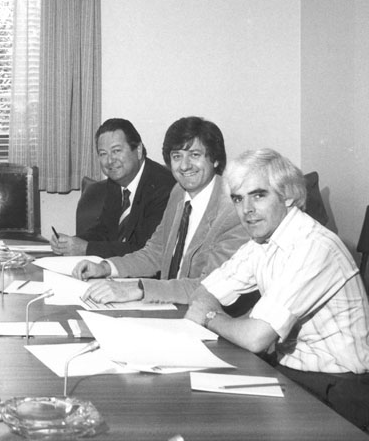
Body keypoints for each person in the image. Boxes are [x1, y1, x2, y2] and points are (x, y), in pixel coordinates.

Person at [185, 149, 369, 431]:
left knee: (222, 429)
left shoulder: (314, 245)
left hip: (339, 391)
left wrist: (212, 317)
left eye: (258, 195)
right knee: (202, 412)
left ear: (287, 196)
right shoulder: (263, 240)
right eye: (238, 198)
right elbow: (204, 292)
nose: (246, 209)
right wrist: (206, 311)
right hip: (292, 374)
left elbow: (255, 337)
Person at [73, 116, 249, 305]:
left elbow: (211, 286)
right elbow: (155, 252)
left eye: (195, 155)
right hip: (170, 307)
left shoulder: (234, 210)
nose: (184, 165)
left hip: (208, 316)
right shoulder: (178, 193)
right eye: (177, 156)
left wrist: (139, 288)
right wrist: (105, 268)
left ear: (214, 159)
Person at [51, 118, 175, 258]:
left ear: (138, 150)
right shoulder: (116, 180)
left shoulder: (163, 187)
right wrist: (72, 242)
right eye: (103, 154)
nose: (110, 161)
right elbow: (105, 230)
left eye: (116, 151)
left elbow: (144, 250)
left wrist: (86, 249)